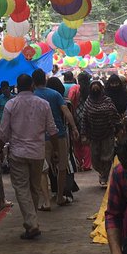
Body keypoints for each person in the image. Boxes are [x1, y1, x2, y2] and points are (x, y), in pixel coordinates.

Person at [0, 73, 57, 240]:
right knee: (34, 187)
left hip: (18, 152)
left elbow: (3, 132)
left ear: (17, 86)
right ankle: (32, 221)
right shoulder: (43, 104)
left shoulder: (11, 105)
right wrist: (56, 150)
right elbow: (52, 130)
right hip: (37, 152)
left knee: (22, 189)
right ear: (32, 86)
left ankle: (31, 223)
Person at [34, 71, 78, 208]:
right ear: (45, 80)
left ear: (33, 82)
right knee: (62, 166)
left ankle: (46, 201)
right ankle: (59, 197)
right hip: (59, 134)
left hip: (41, 137)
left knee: (43, 170)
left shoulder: (33, 96)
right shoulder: (56, 95)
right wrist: (74, 128)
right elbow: (66, 112)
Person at [80, 78, 121, 187]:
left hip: (107, 133)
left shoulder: (107, 100)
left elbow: (114, 114)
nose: (95, 89)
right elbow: (84, 118)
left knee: (107, 157)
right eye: (93, 87)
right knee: (95, 159)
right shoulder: (88, 102)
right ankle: (102, 172)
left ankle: (104, 177)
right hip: (94, 135)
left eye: (97, 86)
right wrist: (83, 134)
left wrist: (119, 127)